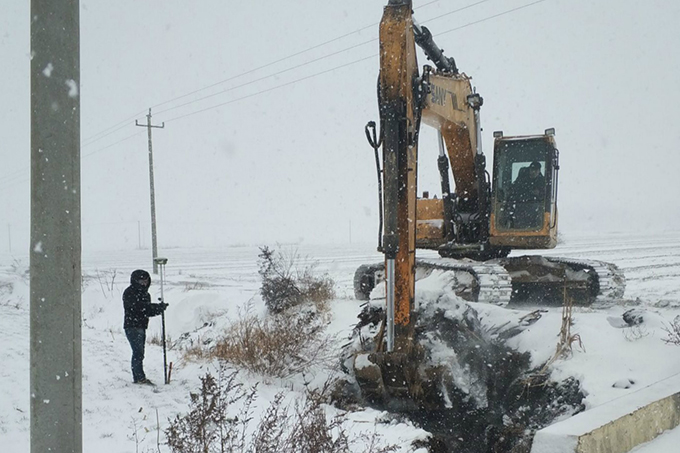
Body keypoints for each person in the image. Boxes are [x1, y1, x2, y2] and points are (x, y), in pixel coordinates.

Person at [123, 269, 168, 385]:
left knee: (140, 352)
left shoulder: (146, 294)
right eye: (141, 280)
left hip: (141, 326)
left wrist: (158, 309)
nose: (144, 283)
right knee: (138, 352)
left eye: (146, 280)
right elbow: (139, 308)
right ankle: (139, 377)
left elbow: (146, 311)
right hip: (132, 326)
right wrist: (156, 308)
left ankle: (139, 376)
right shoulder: (129, 293)